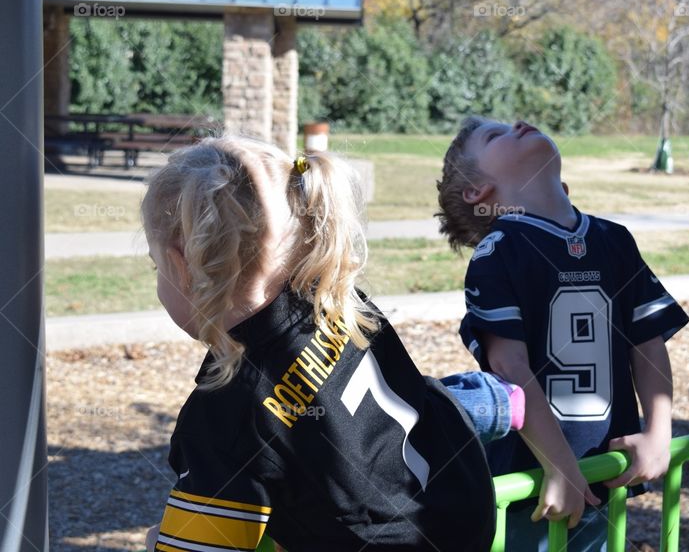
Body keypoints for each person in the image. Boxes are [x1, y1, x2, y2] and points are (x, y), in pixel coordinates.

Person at [140, 135, 523, 552]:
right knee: (437, 396)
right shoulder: (339, 298)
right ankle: (495, 402)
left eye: (155, 263)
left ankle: (490, 403)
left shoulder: (224, 415)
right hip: (464, 510)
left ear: (182, 265)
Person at [436, 116, 689, 551]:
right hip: (532, 476)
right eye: (496, 135)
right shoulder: (498, 253)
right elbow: (507, 364)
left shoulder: (615, 240)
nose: (518, 122)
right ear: (477, 192)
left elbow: (647, 341)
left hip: (605, 467)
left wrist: (659, 432)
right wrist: (559, 466)